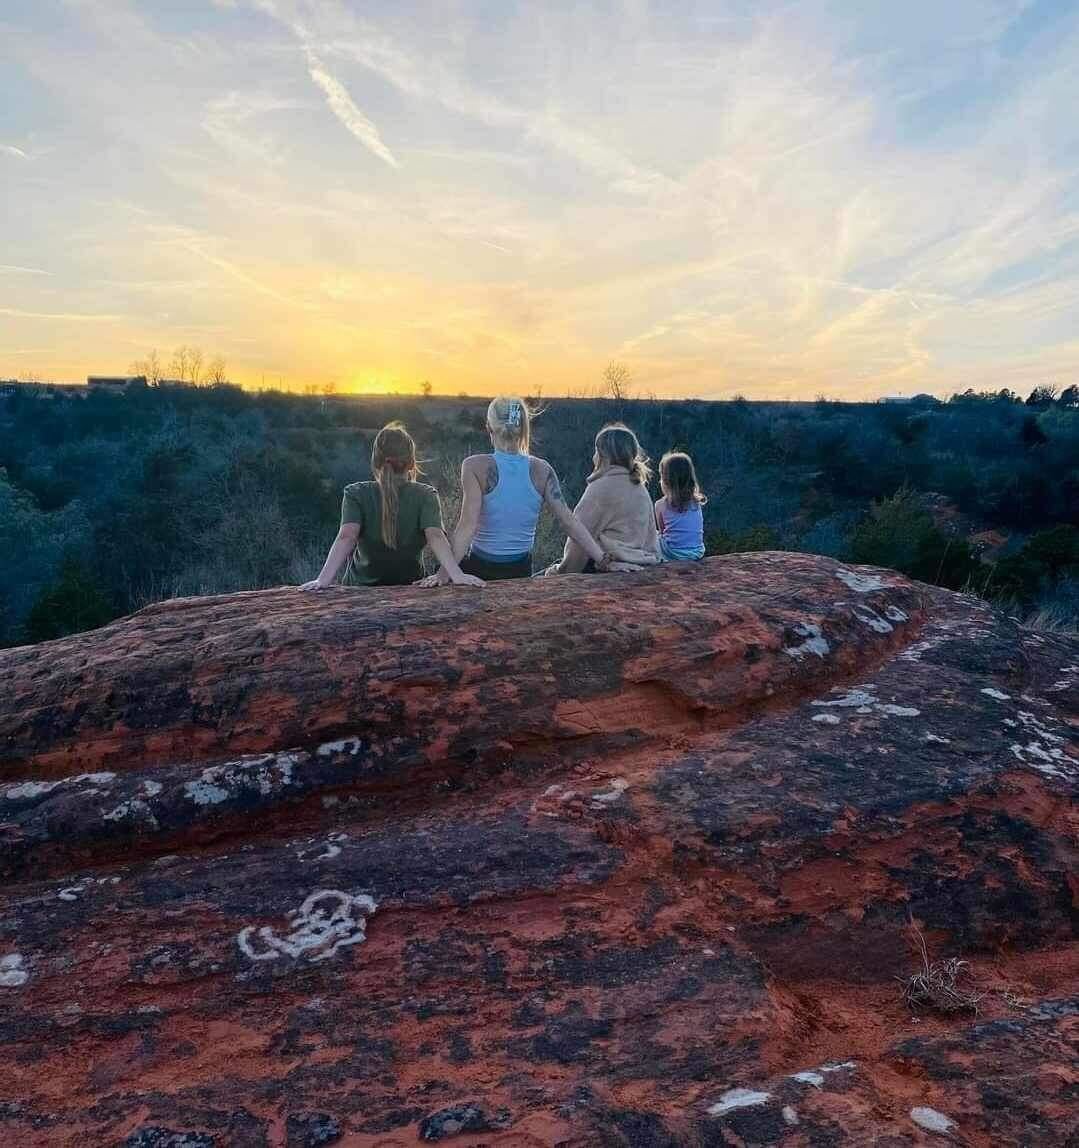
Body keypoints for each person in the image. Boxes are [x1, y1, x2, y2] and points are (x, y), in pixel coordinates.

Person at [429, 396, 612, 582]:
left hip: (481, 568)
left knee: (443, 567)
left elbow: (467, 526)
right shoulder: (542, 469)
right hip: (520, 570)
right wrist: (604, 561)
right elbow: (569, 521)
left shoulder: (474, 466)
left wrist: (445, 574)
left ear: (488, 427)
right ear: (524, 428)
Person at [300, 422, 483, 591]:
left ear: (376, 461)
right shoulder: (426, 495)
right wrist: (456, 574)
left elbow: (346, 537)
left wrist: (322, 580)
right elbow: (435, 536)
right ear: (411, 462)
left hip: (360, 589)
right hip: (410, 587)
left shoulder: (355, 493)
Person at [547, 423, 660, 574]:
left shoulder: (600, 489)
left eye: (596, 451)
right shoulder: (640, 488)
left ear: (603, 456)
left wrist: (562, 571)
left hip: (605, 565)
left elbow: (579, 538)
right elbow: (651, 540)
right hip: (640, 564)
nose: (593, 457)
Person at [655, 450, 706, 561]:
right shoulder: (696, 503)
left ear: (666, 481)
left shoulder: (660, 505)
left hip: (673, 553)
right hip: (697, 551)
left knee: (653, 535)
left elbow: (663, 532)